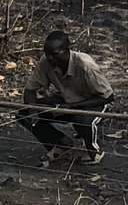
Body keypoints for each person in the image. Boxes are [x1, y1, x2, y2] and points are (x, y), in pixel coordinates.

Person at [24, 28, 114, 162]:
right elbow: (30, 90)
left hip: (93, 102)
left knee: (81, 121)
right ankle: (61, 144)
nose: (50, 58)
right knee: (24, 114)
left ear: (66, 50)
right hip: (65, 102)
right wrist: (33, 110)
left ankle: (94, 152)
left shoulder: (85, 65)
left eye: (54, 54)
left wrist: (72, 107)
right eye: (47, 53)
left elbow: (108, 97)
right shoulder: (46, 61)